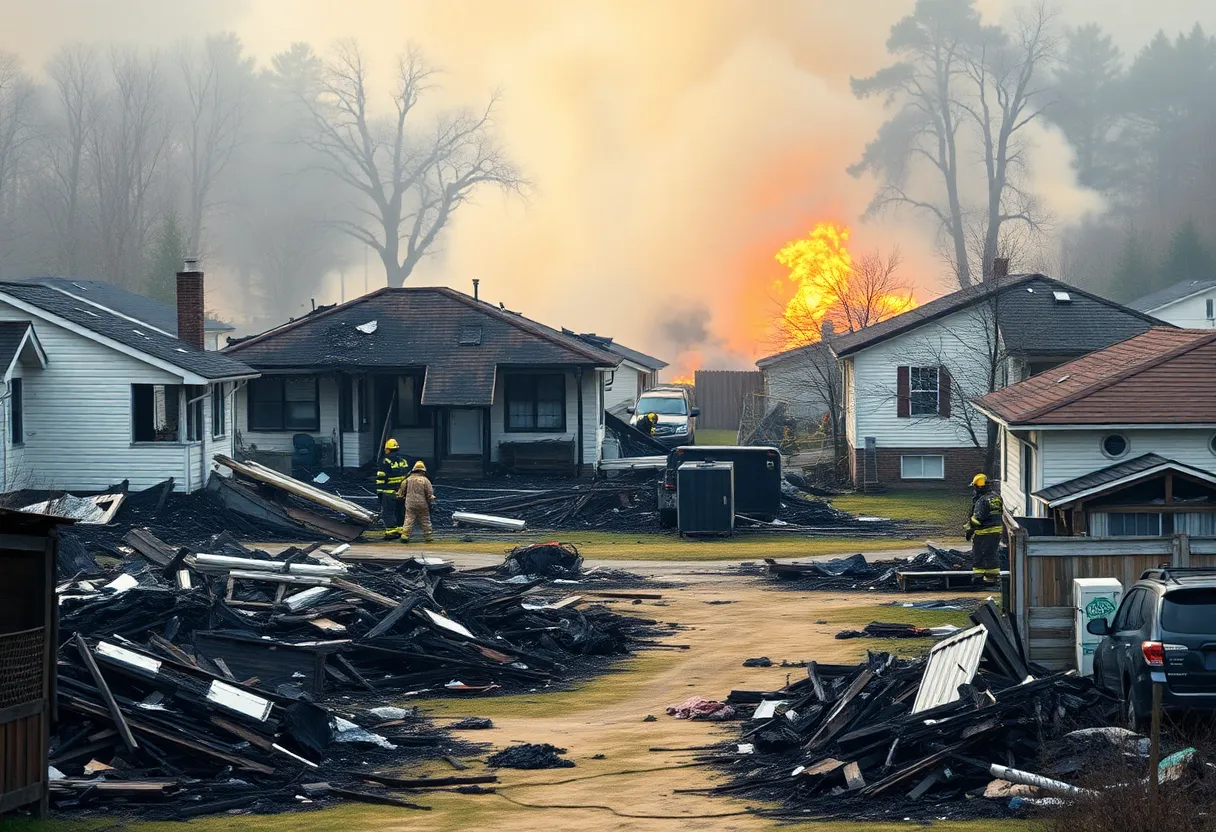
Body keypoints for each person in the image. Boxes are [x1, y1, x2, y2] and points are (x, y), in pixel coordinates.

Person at [965, 473, 1003, 584]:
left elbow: (977, 520)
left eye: (975, 487)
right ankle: (992, 578)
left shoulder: (982, 500)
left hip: (984, 533)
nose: (974, 490)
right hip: (996, 532)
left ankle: (978, 579)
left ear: (979, 487)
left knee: (979, 555)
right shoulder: (996, 497)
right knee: (991, 554)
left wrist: (969, 530)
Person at [375, 438, 409, 539]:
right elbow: (407, 476)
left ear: (388, 450)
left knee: (388, 512)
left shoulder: (385, 462)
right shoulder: (403, 461)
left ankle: (391, 532)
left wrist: (379, 492)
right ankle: (400, 530)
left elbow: (381, 478)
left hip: (388, 491)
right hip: (402, 492)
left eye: (386, 449)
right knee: (400, 511)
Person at [398, 460, 436, 543]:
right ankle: (428, 536)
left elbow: (401, 493)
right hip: (422, 503)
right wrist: (431, 500)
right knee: (425, 519)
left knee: (409, 519)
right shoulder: (425, 480)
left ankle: (405, 535)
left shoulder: (407, 480)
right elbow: (430, 493)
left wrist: (400, 497)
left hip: (410, 503)